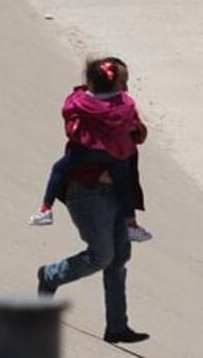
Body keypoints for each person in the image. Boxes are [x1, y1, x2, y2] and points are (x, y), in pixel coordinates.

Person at [36, 62, 150, 346]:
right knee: (101, 256)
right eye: (123, 80)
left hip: (118, 192)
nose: (126, 86)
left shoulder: (124, 106)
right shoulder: (81, 107)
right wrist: (111, 127)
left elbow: (139, 136)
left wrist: (134, 127)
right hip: (87, 192)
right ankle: (50, 276)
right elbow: (76, 136)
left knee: (119, 258)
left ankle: (117, 327)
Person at [29, 58, 152, 243]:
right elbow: (133, 128)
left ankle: (45, 209)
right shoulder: (124, 105)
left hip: (87, 150)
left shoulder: (80, 101)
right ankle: (132, 225)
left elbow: (70, 121)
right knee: (125, 186)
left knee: (59, 169)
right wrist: (128, 129)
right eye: (123, 82)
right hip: (115, 155)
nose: (126, 88)